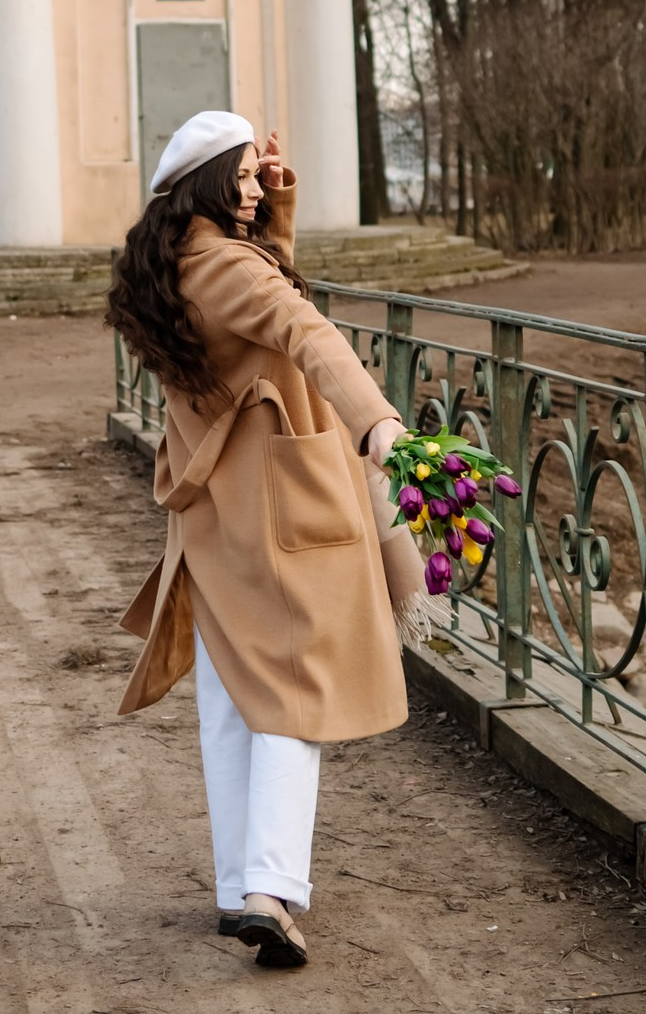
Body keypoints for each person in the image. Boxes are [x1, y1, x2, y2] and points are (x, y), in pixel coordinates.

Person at [107, 110, 426, 970]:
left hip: (217, 514)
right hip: (277, 505)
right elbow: (304, 330)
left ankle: (233, 885)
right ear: (208, 184)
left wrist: (272, 209)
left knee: (233, 697)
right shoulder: (225, 271)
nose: (257, 189)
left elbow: (267, 292)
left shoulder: (173, 267)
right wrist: (380, 426)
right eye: (244, 177)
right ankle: (269, 895)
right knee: (296, 690)